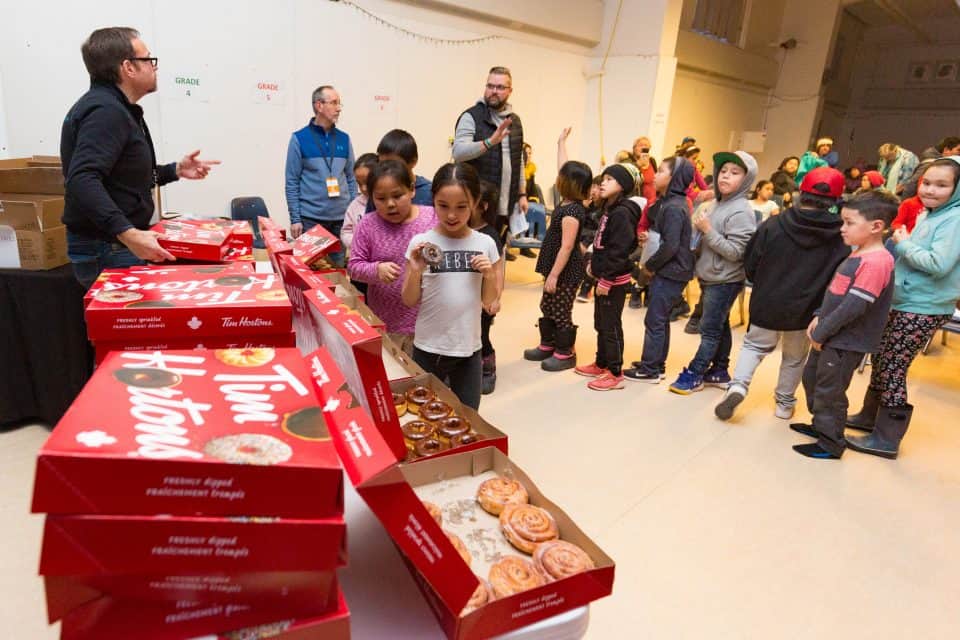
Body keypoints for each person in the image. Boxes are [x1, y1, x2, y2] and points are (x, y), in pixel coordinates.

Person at [61, 27, 219, 289]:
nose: (154, 67)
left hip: (113, 244)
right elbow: (82, 179)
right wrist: (128, 233)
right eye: (148, 59)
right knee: (121, 329)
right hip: (108, 247)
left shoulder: (114, 108)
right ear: (128, 68)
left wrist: (175, 170)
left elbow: (122, 176)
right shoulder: (105, 111)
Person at [714, 167, 849, 421]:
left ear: (800, 193)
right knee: (795, 357)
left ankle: (738, 386)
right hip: (807, 309)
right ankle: (784, 404)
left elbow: (751, 261)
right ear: (835, 200)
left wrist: (761, 282)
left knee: (754, 346)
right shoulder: (840, 236)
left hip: (768, 300)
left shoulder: (774, 224)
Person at [846, 158, 960, 459]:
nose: (930, 190)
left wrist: (905, 244)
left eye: (942, 185)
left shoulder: (955, 219)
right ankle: (869, 418)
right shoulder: (932, 214)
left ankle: (886, 438)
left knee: (894, 366)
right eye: (927, 183)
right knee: (882, 358)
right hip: (907, 300)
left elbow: (939, 264)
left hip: (924, 306)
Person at [789, 190, 899, 459]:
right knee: (813, 379)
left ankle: (831, 442)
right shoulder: (859, 253)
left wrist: (823, 332)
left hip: (844, 340)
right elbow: (835, 293)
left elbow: (854, 306)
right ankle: (820, 425)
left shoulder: (877, 262)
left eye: (849, 223)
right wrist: (819, 316)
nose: (842, 228)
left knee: (831, 391)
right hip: (829, 334)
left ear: (876, 227)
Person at [402, 163, 500, 410]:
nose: (452, 215)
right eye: (443, 206)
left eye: (461, 207)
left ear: (476, 202)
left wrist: (489, 275)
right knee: (424, 413)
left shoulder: (485, 242)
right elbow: (409, 300)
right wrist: (414, 271)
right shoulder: (422, 243)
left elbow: (489, 301)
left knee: (468, 415)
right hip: (427, 347)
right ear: (433, 200)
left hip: (468, 349)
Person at [669, 151, 757, 395]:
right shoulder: (717, 203)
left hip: (724, 280)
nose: (726, 176)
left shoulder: (741, 211)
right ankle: (719, 370)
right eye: (724, 171)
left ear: (747, 179)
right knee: (720, 325)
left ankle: (696, 372)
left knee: (709, 330)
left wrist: (707, 230)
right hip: (710, 276)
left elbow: (737, 252)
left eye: (735, 173)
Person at [347, 160, 438, 353]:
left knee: (426, 378)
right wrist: (375, 269)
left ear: (412, 190)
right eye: (380, 198)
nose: (390, 204)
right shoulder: (368, 225)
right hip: (386, 321)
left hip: (428, 322)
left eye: (398, 195)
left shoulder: (432, 218)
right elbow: (354, 267)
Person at [623, 156, 695, 382]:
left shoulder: (674, 207)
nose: (655, 175)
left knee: (654, 320)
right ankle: (656, 363)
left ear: (674, 178)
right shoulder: (670, 202)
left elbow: (671, 246)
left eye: (662, 171)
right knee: (660, 319)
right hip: (672, 269)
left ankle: (649, 369)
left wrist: (650, 267)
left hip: (671, 270)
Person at [573, 164, 642, 391]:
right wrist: (593, 262)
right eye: (603, 178)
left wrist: (606, 279)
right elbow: (602, 243)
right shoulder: (609, 209)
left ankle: (615, 371)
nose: (602, 182)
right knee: (600, 323)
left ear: (623, 186)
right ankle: (601, 362)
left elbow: (619, 250)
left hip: (613, 282)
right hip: (603, 276)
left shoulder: (622, 213)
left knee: (611, 326)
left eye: (610, 179)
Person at [522, 160, 592, 372]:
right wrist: (561, 142)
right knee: (547, 305)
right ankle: (548, 344)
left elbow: (567, 247)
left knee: (561, 309)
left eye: (560, 176)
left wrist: (553, 275)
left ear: (567, 183)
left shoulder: (571, 213)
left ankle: (565, 352)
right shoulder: (566, 202)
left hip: (566, 271)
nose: (556, 178)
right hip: (557, 268)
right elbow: (564, 164)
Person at [453, 66, 528, 253]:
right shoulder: (471, 116)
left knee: (495, 252)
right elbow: (459, 152)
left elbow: (518, 161)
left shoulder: (515, 121)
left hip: (504, 204)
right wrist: (489, 142)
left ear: (510, 91)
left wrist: (522, 194)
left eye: (500, 87)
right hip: (476, 204)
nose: (494, 91)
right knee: (471, 255)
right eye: (490, 85)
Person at [285, 84, 358, 266]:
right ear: (319, 105)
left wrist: (352, 211)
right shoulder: (299, 139)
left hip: (340, 220)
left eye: (339, 103)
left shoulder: (344, 139)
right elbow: (292, 181)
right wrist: (295, 219)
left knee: (337, 272)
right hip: (311, 220)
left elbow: (351, 177)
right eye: (334, 103)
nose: (338, 108)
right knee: (310, 273)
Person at [472, 181, 505, 394]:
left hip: (484, 297)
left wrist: (495, 298)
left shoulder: (490, 235)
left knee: (482, 334)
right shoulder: (459, 231)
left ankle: (488, 369)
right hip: (465, 296)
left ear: (483, 206)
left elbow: (499, 270)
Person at [371, 129, 433, 207]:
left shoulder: (430, 192)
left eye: (394, 165)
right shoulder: (377, 191)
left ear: (413, 161)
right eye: (382, 164)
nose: (387, 170)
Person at [340, 152, 379, 251]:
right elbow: (346, 232)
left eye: (367, 182)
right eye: (359, 183)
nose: (363, 188)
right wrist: (356, 243)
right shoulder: (355, 204)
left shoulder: (387, 203)